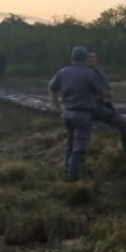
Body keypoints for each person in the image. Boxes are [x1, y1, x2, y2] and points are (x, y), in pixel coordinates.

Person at [48, 46, 108, 182]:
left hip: (67, 112)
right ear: (86, 58)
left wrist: (58, 108)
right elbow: (103, 92)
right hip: (83, 114)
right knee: (80, 146)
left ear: (72, 57)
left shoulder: (62, 72)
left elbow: (52, 89)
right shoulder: (90, 73)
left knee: (69, 143)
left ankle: (66, 170)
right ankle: (72, 176)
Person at [86, 49, 126, 156]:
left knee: (122, 125)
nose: (93, 59)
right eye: (90, 57)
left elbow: (106, 86)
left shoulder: (99, 71)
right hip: (89, 106)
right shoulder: (82, 73)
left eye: (94, 56)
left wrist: (108, 92)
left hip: (103, 103)